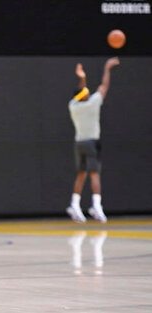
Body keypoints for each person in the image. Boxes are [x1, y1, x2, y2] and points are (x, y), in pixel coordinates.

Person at [66, 57, 119, 223]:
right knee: (94, 174)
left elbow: (80, 92)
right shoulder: (93, 103)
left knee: (81, 174)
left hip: (79, 143)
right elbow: (104, 86)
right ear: (84, 95)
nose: (88, 91)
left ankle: (74, 204)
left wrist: (82, 78)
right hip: (91, 143)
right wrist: (107, 68)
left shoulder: (73, 106)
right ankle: (96, 206)